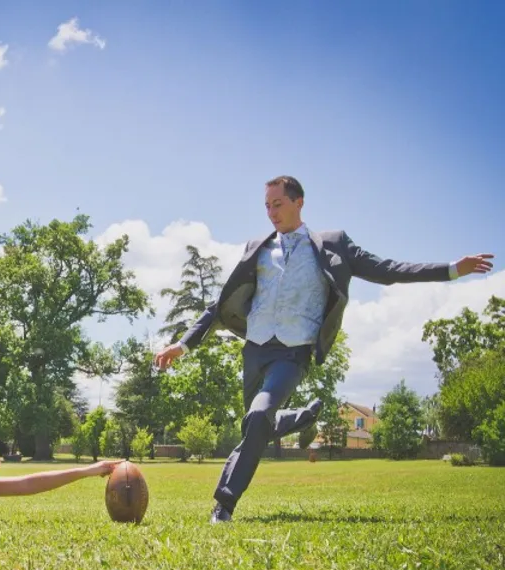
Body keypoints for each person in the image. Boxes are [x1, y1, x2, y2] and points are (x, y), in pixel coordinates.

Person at [153, 175, 495, 524]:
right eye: (267, 206)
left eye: (278, 204)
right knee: (254, 426)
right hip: (255, 350)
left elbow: (388, 270)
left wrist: (453, 269)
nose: (271, 213)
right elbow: (220, 303)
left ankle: (223, 505)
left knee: (257, 417)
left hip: (293, 353)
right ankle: (297, 417)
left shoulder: (334, 245)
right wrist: (182, 344)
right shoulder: (257, 247)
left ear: (299, 202)